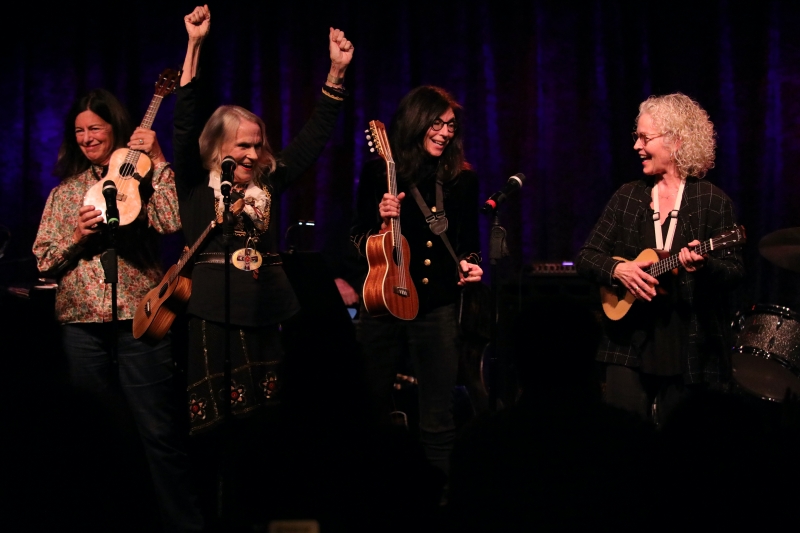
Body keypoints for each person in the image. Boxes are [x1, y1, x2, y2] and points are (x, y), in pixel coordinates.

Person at [174, 5, 353, 435]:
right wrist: (194, 45)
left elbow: (311, 140)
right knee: (218, 425)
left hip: (265, 306)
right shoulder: (197, 181)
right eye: (243, 146)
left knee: (267, 423)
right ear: (218, 146)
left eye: (258, 145)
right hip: (213, 312)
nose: (254, 154)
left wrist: (337, 75)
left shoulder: (267, 182)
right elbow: (184, 121)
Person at [32, 90, 203, 530]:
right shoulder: (65, 193)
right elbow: (44, 258)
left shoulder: (144, 181)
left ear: (115, 131)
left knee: (158, 431)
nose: (87, 137)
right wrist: (76, 235)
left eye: (96, 128)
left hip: (138, 317)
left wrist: (160, 159)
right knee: (88, 434)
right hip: (79, 323)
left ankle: (182, 523)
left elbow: (172, 223)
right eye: (80, 130)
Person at [576, 93, 744, 424]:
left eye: (644, 137)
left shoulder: (711, 200)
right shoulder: (628, 196)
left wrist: (705, 265)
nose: (637, 146)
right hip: (628, 341)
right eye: (636, 136)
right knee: (624, 441)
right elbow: (586, 257)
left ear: (676, 141)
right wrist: (618, 269)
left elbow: (736, 272)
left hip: (689, 343)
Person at [351, 86, 483, 476]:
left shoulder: (461, 179)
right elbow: (354, 239)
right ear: (416, 122)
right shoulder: (381, 172)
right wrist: (379, 221)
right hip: (382, 303)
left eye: (450, 126)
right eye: (436, 123)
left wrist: (470, 265)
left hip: (436, 306)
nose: (444, 132)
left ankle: (439, 500)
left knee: (438, 415)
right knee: (371, 406)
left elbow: (467, 243)